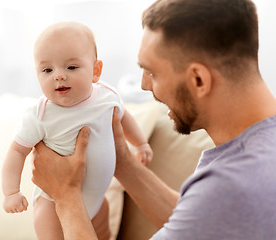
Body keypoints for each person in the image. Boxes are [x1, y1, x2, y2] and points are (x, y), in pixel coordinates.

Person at [30, 0, 276, 239]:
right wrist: (122, 161)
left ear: (199, 79)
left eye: (152, 72)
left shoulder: (233, 184)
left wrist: (66, 196)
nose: (143, 85)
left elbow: (208, 212)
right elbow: (200, 224)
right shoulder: (257, 156)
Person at [1, 21, 153, 240]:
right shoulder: (40, 114)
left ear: (96, 70)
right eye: (47, 70)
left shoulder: (107, 96)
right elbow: (16, 151)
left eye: (71, 67)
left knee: (104, 235)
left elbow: (123, 117)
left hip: (97, 202)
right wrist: (11, 192)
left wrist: (140, 143)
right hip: (53, 206)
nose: (59, 76)